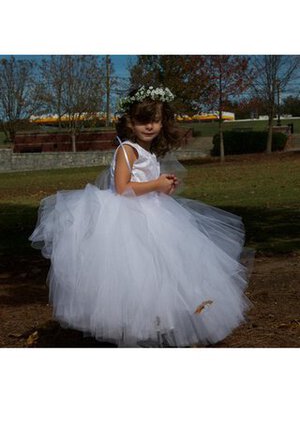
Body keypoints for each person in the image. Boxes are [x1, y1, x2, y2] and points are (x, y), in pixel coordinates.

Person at [29, 85, 255, 348]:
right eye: (143, 121)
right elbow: (123, 188)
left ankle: (161, 322)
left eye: (155, 121)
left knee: (165, 270)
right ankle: (136, 326)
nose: (150, 126)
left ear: (163, 122)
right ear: (131, 122)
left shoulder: (148, 152)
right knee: (136, 274)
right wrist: (155, 185)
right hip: (127, 220)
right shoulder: (126, 150)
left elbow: (144, 184)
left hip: (153, 214)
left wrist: (163, 188)